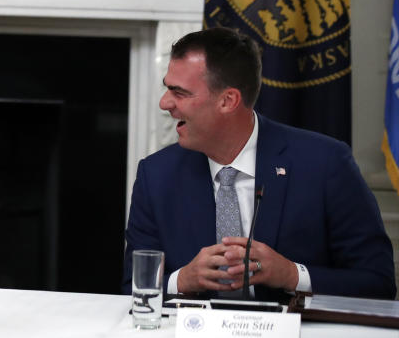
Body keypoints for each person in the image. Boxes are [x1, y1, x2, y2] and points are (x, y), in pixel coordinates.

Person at [123, 27, 395, 300]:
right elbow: (130, 290)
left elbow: (378, 282)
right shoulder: (156, 175)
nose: (164, 102)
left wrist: (292, 275)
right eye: (166, 88)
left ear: (228, 101)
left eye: (179, 92)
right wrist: (183, 279)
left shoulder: (325, 164)